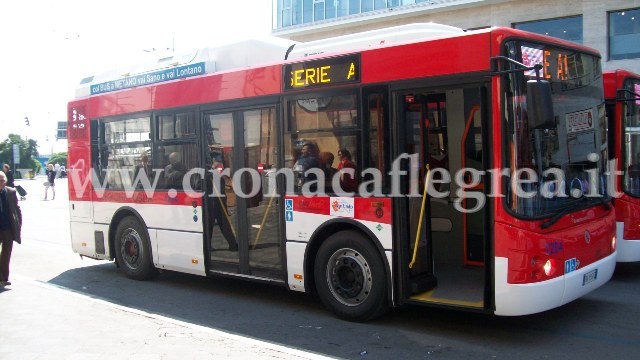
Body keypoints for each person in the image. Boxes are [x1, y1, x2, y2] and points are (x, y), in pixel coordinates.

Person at [207, 152, 238, 251]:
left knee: (223, 224)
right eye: (217, 162)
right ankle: (208, 246)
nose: (220, 164)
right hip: (212, 203)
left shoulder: (216, 173)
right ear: (213, 162)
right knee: (210, 226)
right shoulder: (209, 174)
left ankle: (233, 244)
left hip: (218, 203)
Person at [0, 171, 22, 287]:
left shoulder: (10, 192)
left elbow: (17, 209)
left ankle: (4, 278)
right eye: (0, 181)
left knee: (6, 253)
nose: (2, 183)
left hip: (7, 227)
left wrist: (19, 224)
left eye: (3, 180)